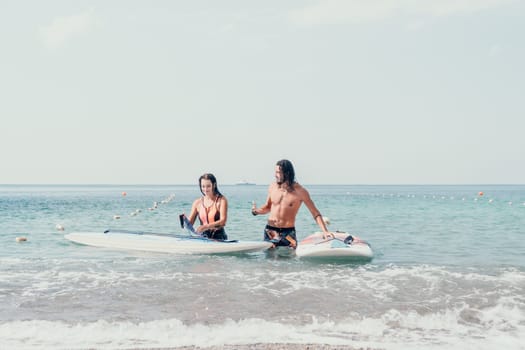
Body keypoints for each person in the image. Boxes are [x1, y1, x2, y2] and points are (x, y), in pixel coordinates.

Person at [251, 159, 333, 248]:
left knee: (289, 260)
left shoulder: (300, 191)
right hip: (271, 230)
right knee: (269, 259)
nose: (275, 175)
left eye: (278, 172)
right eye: (275, 172)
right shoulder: (273, 187)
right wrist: (257, 211)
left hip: (288, 233)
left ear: (287, 173)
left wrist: (325, 231)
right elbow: (268, 207)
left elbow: (315, 213)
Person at [186, 173, 228, 240]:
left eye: (208, 186)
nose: (205, 189)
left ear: (214, 185)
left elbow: (223, 221)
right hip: (202, 238)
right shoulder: (197, 203)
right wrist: (184, 221)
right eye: (203, 186)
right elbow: (189, 225)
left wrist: (205, 227)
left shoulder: (221, 200)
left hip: (219, 238)